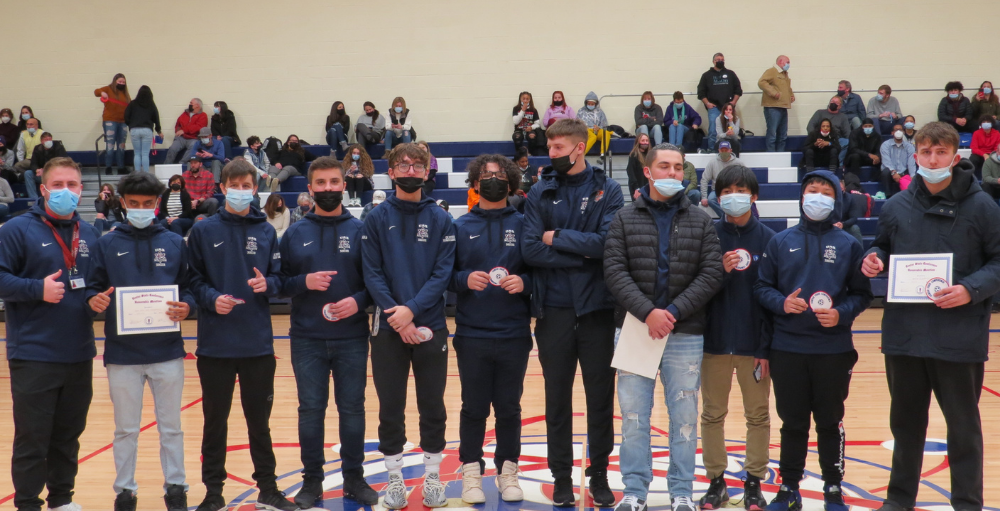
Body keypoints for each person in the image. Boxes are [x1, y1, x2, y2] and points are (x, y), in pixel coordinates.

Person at [862, 122, 1000, 511]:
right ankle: (899, 500)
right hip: (904, 335)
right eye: (926, 152)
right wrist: (873, 260)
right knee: (905, 426)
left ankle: (967, 503)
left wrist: (970, 289)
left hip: (958, 336)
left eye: (941, 152)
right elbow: (881, 248)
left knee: (963, 429)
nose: (933, 159)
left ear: (956, 157)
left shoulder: (983, 206)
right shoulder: (897, 206)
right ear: (915, 156)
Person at [603, 142, 723, 511]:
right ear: (648, 172)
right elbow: (614, 271)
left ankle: (681, 491)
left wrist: (670, 311)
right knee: (634, 418)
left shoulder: (702, 219)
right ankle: (635, 492)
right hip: (636, 330)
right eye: (665, 167)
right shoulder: (624, 218)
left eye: (678, 167)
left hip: (685, 332)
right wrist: (648, 313)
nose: (672, 174)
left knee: (685, 417)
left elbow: (712, 272)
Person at [754, 170, 872, 511]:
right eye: (811, 190)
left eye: (825, 191)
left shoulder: (849, 243)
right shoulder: (779, 241)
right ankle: (789, 488)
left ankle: (833, 488)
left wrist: (841, 313)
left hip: (833, 350)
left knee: (829, 421)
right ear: (802, 197)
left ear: (835, 200)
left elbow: (862, 295)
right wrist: (782, 302)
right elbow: (762, 287)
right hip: (787, 348)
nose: (817, 196)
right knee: (793, 423)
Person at [521, 118, 624, 507]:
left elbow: (608, 244)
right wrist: (581, 254)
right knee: (556, 399)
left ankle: (598, 473)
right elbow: (530, 250)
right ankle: (561, 475)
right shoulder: (538, 192)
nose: (552, 155)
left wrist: (557, 239)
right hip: (554, 313)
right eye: (550, 148)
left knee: (600, 399)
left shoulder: (607, 189)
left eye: (559, 148)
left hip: (598, 311)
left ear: (579, 148)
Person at [186, 159, 297, 511]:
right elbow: (192, 282)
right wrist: (211, 299)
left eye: (246, 185)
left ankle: (267, 488)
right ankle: (213, 492)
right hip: (215, 345)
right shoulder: (203, 230)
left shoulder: (266, 231)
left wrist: (269, 285)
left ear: (255, 188)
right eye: (233, 184)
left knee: (258, 424)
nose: (240, 190)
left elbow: (279, 279)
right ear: (222, 188)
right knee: (214, 423)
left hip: (257, 345)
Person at [85, 172, 193, 511]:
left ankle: (176, 486)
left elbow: (188, 286)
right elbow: (92, 287)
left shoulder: (175, 242)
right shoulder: (106, 243)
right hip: (122, 353)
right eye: (134, 204)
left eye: (148, 204)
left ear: (157, 204)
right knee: (125, 429)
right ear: (123, 203)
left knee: (172, 427)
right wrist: (94, 300)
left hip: (167, 352)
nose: (141, 209)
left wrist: (187, 305)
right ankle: (125, 491)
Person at [0, 157, 102, 511]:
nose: (65, 192)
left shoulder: (88, 233)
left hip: (79, 351)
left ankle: (62, 500)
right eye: (58, 185)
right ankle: (27, 503)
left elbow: (92, 284)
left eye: (72, 185)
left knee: (68, 435)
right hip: (33, 353)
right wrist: (34, 289)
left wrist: (97, 300)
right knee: (32, 438)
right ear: (43, 189)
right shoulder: (15, 230)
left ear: (81, 189)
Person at [277, 156, 378, 507]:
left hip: (352, 337)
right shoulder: (294, 233)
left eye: (334, 182)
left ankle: (354, 479)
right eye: (320, 183)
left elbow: (375, 283)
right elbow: (278, 284)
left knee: (352, 409)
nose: (328, 189)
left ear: (344, 185)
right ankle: (312, 483)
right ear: (310, 189)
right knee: (311, 411)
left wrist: (359, 301)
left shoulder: (362, 230)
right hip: (307, 338)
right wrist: (302, 281)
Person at [361, 143, 456, 509]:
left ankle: (433, 477)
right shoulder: (374, 217)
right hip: (387, 328)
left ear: (427, 170)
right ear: (392, 169)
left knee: (432, 403)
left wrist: (411, 310)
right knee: (391, 407)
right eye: (403, 164)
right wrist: (395, 314)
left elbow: (442, 274)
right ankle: (395, 479)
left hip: (430, 325)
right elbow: (372, 272)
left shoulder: (442, 219)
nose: (410, 169)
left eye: (417, 164)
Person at [451, 154, 531, 504]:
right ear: (475, 182)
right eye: (485, 175)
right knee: (473, 408)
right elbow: (445, 276)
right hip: (472, 333)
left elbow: (541, 273)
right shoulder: (460, 225)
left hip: (513, 332)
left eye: (499, 175)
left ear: (510, 182)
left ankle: (507, 471)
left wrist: (525, 283)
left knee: (510, 408)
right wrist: (464, 279)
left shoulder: (525, 223)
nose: (492, 180)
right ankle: (471, 472)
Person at [698, 165, 773, 511]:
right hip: (712, 343)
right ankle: (716, 482)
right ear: (716, 197)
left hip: (753, 346)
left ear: (754, 196)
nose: (732, 197)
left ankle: (754, 481)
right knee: (712, 414)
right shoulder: (706, 235)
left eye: (740, 190)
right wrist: (721, 273)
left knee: (757, 414)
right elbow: (697, 292)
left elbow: (772, 298)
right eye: (725, 191)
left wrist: (765, 346)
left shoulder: (772, 239)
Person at [698, 53, 743, 151]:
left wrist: (733, 102)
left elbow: (738, 90)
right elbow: (701, 92)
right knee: (713, 130)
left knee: (731, 129)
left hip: (728, 108)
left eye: (722, 59)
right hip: (714, 108)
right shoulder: (706, 75)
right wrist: (707, 103)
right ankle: (712, 149)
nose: (720, 61)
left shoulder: (731, 74)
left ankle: (730, 150)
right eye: (718, 59)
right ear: (713, 61)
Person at [94, 73, 131, 174]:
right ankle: (108, 167)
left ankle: (121, 167)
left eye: (123, 82)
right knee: (110, 145)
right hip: (110, 121)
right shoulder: (108, 89)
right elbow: (96, 91)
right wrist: (102, 93)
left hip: (123, 122)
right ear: (115, 81)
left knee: (121, 146)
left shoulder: (126, 94)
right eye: (119, 81)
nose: (121, 83)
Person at [758, 55, 795, 152]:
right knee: (772, 135)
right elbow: (761, 82)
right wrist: (773, 92)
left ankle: (780, 156)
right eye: (787, 62)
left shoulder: (784, 74)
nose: (788, 64)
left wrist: (791, 95)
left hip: (783, 107)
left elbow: (787, 87)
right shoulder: (772, 71)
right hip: (772, 108)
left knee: (783, 135)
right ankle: (771, 156)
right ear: (780, 61)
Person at [123, 85, 162, 173]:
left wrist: (130, 124)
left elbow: (126, 116)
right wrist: (159, 130)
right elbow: (156, 117)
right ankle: (146, 173)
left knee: (137, 153)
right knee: (145, 154)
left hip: (134, 130)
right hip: (147, 130)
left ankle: (137, 173)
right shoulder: (151, 104)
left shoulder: (132, 103)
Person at [700, 141, 742, 218]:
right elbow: (704, 179)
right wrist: (704, 197)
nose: (724, 152)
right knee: (711, 200)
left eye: (726, 150)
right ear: (719, 151)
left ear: (730, 150)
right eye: (722, 150)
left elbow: (745, 177)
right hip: (717, 190)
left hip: (733, 190)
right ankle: (727, 217)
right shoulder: (712, 162)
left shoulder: (738, 163)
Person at [807, 96, 851, 165]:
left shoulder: (843, 117)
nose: (833, 103)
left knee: (847, 142)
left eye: (836, 103)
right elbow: (810, 126)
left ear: (840, 106)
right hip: (819, 138)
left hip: (835, 139)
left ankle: (839, 163)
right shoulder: (819, 113)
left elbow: (848, 133)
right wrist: (816, 139)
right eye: (832, 102)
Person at [24, 132, 68, 200]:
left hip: (55, 174)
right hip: (42, 174)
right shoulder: (37, 148)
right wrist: (37, 170)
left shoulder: (58, 147)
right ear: (42, 141)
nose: (48, 141)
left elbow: (62, 162)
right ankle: (34, 199)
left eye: (50, 139)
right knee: (28, 173)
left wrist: (47, 170)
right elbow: (33, 163)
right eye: (46, 139)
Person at [164, 99, 208, 164]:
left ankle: (181, 164)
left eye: (191, 103)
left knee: (193, 147)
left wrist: (184, 130)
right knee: (172, 148)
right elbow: (178, 124)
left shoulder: (203, 115)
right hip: (182, 138)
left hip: (194, 138)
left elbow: (199, 127)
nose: (189, 104)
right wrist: (178, 131)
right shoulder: (185, 114)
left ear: (197, 105)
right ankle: (166, 165)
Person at [880, 123, 916, 198]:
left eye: (900, 130)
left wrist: (913, 176)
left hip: (903, 172)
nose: (898, 132)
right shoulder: (885, 145)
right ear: (892, 132)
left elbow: (911, 162)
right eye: (896, 130)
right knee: (885, 172)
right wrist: (893, 172)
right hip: (890, 172)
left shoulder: (909, 147)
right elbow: (886, 161)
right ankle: (888, 195)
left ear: (904, 132)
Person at [577, 91, 611, 156]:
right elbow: (577, 124)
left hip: (597, 130)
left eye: (592, 104)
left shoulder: (600, 112)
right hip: (585, 131)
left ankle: (603, 153)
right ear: (586, 103)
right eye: (589, 104)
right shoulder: (581, 111)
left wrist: (599, 128)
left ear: (595, 104)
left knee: (606, 133)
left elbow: (604, 124)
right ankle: (581, 154)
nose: (590, 105)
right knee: (593, 137)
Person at [513, 91, 547, 155]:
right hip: (519, 130)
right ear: (520, 99)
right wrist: (522, 110)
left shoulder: (533, 110)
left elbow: (537, 124)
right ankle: (519, 154)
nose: (525, 101)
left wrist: (531, 127)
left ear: (530, 100)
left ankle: (530, 153)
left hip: (530, 130)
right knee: (517, 137)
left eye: (527, 99)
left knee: (532, 136)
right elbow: (515, 121)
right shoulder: (516, 108)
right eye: (524, 99)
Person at [839, 175, 866, 244]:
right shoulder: (827, 199)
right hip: (829, 225)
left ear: (844, 189)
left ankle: (860, 254)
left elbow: (854, 218)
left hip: (844, 225)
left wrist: (843, 224)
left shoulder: (850, 199)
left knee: (855, 228)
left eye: (841, 188)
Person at [626, 134, 651, 199]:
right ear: (638, 142)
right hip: (637, 186)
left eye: (646, 140)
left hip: (647, 186)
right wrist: (636, 188)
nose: (645, 142)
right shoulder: (634, 155)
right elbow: (630, 171)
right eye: (643, 140)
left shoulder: (650, 155)